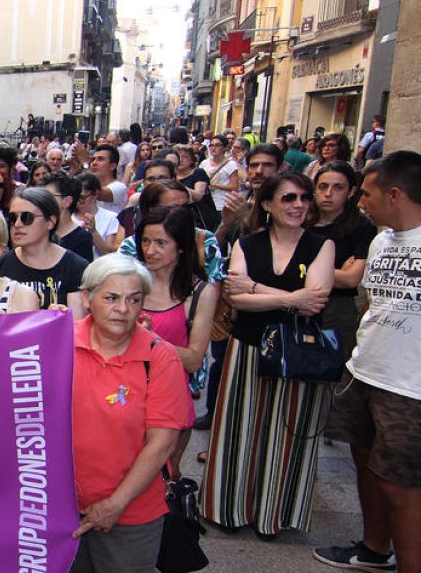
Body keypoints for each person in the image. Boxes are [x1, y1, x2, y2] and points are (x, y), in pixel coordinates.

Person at [201, 171, 335, 538]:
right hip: (246, 348)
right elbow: (238, 300)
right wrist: (292, 296)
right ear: (267, 204)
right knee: (239, 430)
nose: (298, 205)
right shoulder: (248, 243)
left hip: (297, 353)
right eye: (289, 198)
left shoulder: (321, 245)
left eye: (304, 199)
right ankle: (228, 510)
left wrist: (259, 289)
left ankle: (273, 517)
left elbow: (316, 301)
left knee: (288, 434)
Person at [315, 151, 420, 572]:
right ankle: (375, 549)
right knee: (367, 467)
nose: (362, 202)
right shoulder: (380, 240)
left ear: (394, 194)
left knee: (402, 487)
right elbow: (373, 302)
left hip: (410, 387)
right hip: (365, 372)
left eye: (368, 194)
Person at [69, 254, 188, 572]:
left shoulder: (159, 357)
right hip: (60, 510)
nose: (123, 309)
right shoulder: (58, 343)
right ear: (87, 298)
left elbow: (161, 444)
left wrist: (114, 505)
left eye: (134, 299)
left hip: (131, 514)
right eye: (111, 298)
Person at [134, 206, 219, 475]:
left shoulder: (200, 293)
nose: (150, 250)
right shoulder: (129, 282)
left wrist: (151, 339)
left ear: (181, 246)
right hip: (124, 397)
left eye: (161, 242)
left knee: (164, 477)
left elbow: (194, 360)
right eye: (146, 241)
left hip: (169, 403)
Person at [307, 161, 377, 360]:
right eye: (323, 186)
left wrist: (302, 267)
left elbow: (351, 279)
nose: (328, 193)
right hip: (299, 302)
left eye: (338, 187)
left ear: (350, 191)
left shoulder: (361, 226)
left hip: (337, 306)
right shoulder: (301, 221)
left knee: (331, 368)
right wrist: (335, 271)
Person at [0, 188, 89, 314]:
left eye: (26, 217)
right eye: (12, 218)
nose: (17, 224)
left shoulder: (75, 267)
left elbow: (75, 326)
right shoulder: (0, 264)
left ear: (50, 222)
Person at [45, 174, 94, 262]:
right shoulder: (40, 231)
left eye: (48, 196)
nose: (42, 201)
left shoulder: (82, 238)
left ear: (67, 201)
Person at [73, 173, 124, 258]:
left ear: (95, 194)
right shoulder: (67, 216)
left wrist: (93, 232)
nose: (77, 202)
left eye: (82, 198)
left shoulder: (111, 217)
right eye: (75, 197)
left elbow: (109, 252)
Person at [201, 136, 241, 222]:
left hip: (221, 204)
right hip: (206, 203)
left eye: (217, 145)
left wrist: (214, 185)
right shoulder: (204, 163)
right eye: (211, 145)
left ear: (225, 148)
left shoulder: (231, 165)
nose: (213, 148)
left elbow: (235, 187)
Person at [90, 144, 127, 214]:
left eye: (100, 159)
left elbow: (97, 193)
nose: (94, 163)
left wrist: (83, 163)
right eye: (93, 159)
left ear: (112, 166)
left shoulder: (120, 187)